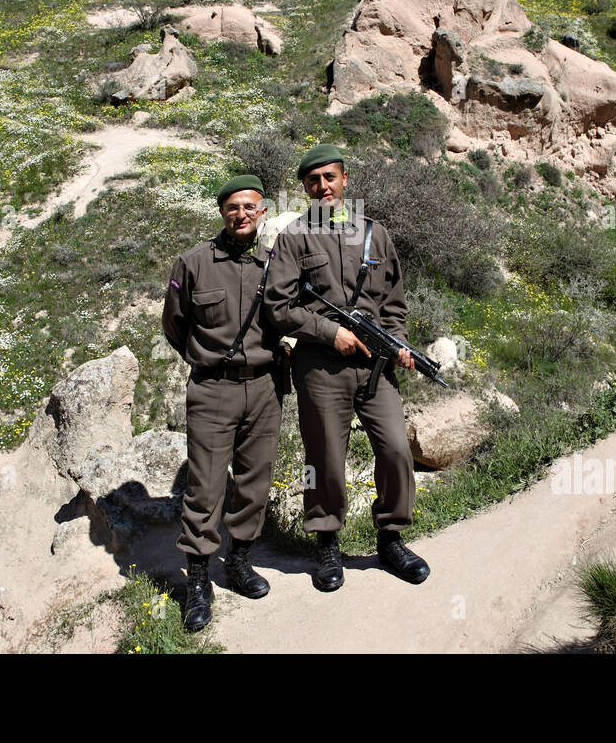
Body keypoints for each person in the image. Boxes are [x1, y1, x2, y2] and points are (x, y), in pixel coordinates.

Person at [263, 144, 430, 591]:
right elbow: (277, 307)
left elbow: (393, 302)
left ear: (345, 179)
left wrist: (399, 345)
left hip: (375, 367)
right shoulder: (294, 237)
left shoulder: (375, 234)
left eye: (330, 178)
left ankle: (391, 538)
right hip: (320, 367)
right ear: (305, 188)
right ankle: (327, 543)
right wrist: (326, 331)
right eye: (313, 181)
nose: (323, 188)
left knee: (396, 448)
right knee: (325, 460)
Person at [161, 174, 284, 631]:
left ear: (263, 211)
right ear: (222, 213)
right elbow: (175, 325)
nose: (242, 214)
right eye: (233, 207)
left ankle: (239, 562)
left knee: (255, 482)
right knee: (205, 487)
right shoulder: (193, 263)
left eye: (250, 206)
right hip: (212, 389)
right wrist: (206, 361)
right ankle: (197, 581)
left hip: (266, 388)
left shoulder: (276, 265)